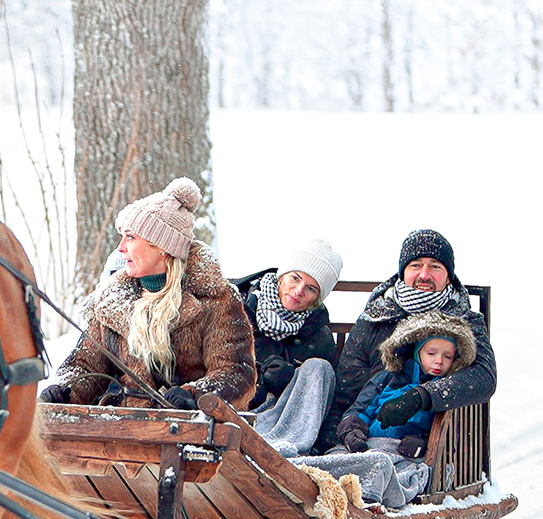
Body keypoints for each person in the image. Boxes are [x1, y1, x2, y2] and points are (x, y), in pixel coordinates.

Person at [40, 178, 254, 410]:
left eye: (130, 237)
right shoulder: (110, 302)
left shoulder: (216, 299)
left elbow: (236, 372)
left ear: (163, 246)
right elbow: (85, 366)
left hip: (193, 434)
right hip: (127, 430)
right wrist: (65, 389)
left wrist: (194, 395)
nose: (121, 247)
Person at [313, 228, 496, 454]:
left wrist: (423, 396)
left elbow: (483, 377)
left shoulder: (465, 321)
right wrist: (332, 442)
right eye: (416, 265)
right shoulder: (376, 317)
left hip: (431, 446)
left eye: (435, 266)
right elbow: (345, 390)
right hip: (365, 436)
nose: (424, 275)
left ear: (449, 276)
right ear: (403, 272)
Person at [322, 314, 477, 507]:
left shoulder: (442, 391)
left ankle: (368, 501)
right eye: (431, 353)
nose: (439, 361)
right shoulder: (388, 378)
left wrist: (422, 444)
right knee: (337, 459)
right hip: (369, 444)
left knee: (398, 472)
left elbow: (448, 436)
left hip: (403, 453)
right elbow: (360, 408)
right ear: (417, 352)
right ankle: (322, 490)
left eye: (447, 356)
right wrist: (352, 430)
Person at [230, 239, 343, 456]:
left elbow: (327, 399)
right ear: (282, 276)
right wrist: (262, 384)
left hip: (288, 427)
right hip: (239, 415)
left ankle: (286, 450)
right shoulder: (238, 309)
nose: (299, 291)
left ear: (316, 299)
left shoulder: (318, 335)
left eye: (310, 289)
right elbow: (219, 366)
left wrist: (288, 383)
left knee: (319, 368)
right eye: (295, 278)